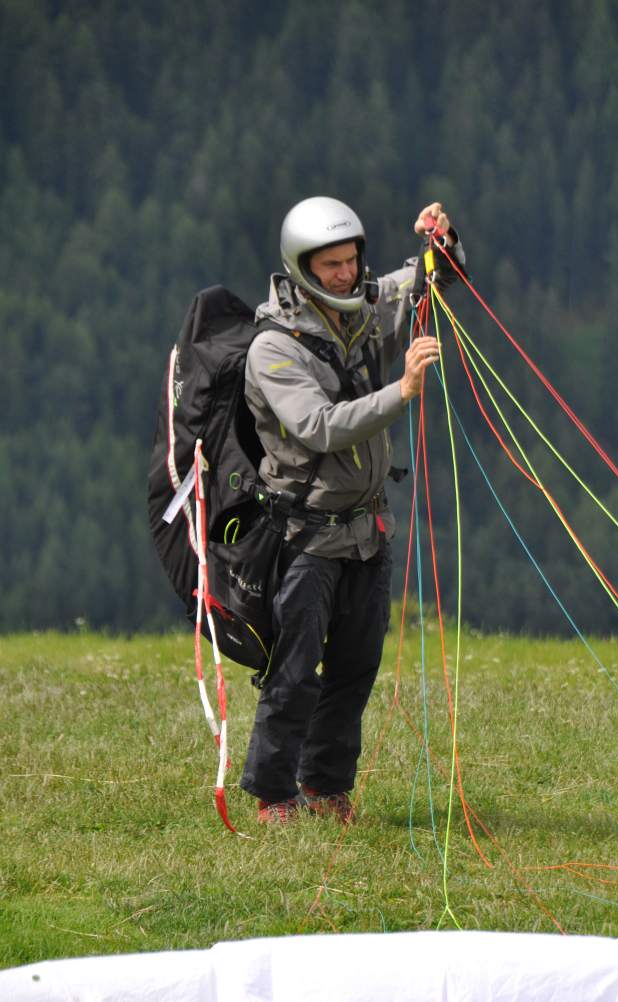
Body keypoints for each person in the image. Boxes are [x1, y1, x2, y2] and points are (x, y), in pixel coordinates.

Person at [240, 197, 465, 825]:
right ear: (301, 267)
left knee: (356, 665)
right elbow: (319, 426)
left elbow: (428, 280)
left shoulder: (364, 309)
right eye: (330, 265)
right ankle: (273, 796)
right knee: (294, 671)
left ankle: (326, 787)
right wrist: (403, 391)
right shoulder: (272, 348)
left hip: (366, 530)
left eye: (351, 260)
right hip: (305, 535)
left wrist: (441, 242)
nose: (345, 274)